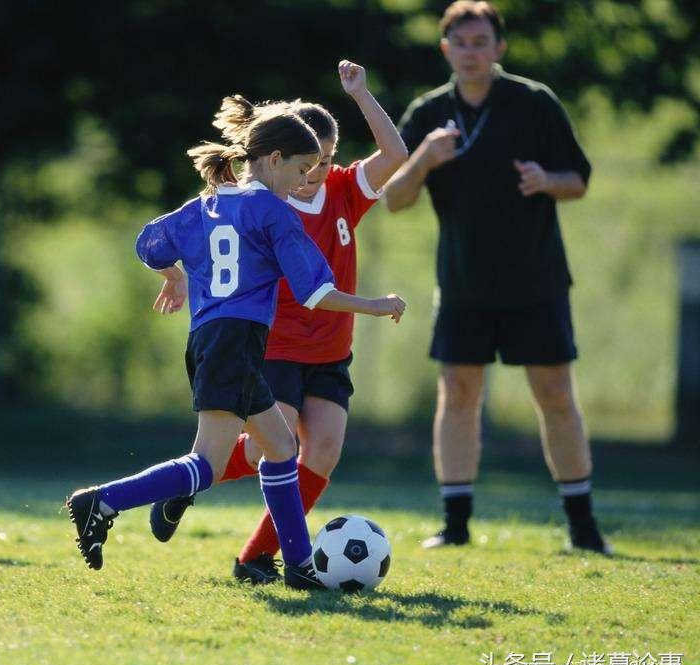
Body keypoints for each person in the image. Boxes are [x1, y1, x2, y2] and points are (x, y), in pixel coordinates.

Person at [65, 95, 406, 589]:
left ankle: (299, 566)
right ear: (273, 160)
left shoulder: (209, 200)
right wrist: (374, 305)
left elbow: (148, 242)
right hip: (238, 342)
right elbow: (316, 292)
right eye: (302, 168)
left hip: (211, 339)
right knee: (206, 464)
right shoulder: (275, 214)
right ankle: (102, 501)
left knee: (283, 447)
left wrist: (176, 277)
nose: (306, 180)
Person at [381, 0, 609, 553]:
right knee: (458, 393)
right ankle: (455, 526)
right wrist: (424, 161)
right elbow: (393, 199)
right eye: (461, 43)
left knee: (555, 394)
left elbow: (577, 179)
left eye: (482, 42)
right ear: (446, 49)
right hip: (462, 283)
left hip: (537, 279)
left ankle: (582, 528)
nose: (472, 52)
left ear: (499, 48)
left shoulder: (533, 103)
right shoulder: (427, 112)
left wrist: (545, 179)